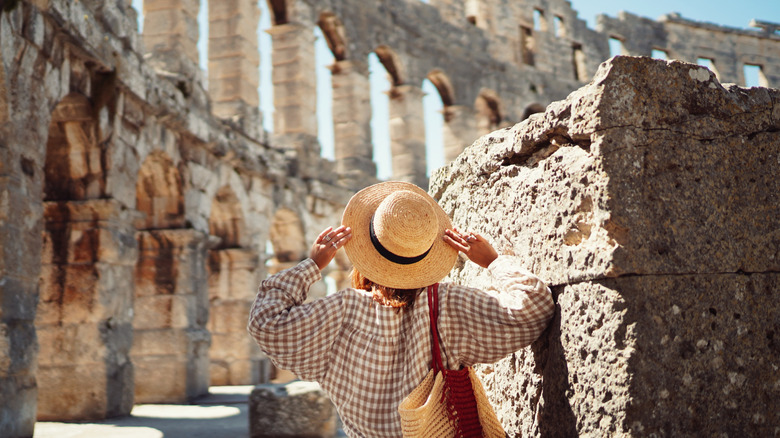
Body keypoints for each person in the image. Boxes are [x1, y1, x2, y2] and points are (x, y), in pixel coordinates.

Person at [248, 181, 555, 438]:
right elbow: (533, 310)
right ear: (429, 248)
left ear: (368, 245)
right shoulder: (449, 304)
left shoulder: (341, 310)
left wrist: (312, 265)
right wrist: (493, 262)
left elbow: (266, 322)